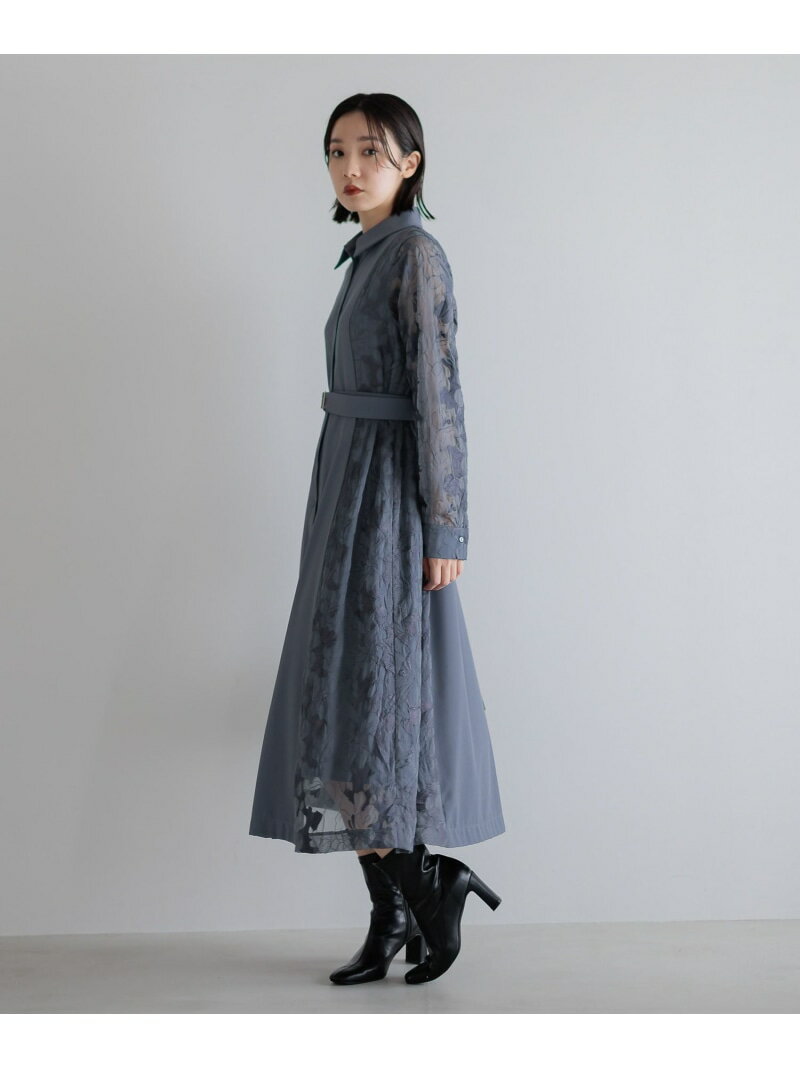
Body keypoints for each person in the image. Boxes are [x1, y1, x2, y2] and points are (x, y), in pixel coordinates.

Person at [248, 92, 506, 985]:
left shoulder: (416, 256)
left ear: (411, 163)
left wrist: (446, 522)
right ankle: (394, 912)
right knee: (339, 691)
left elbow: (441, 395)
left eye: (370, 151)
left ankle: (430, 884)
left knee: (376, 696)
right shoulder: (364, 255)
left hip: (390, 493)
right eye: (336, 151)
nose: (350, 168)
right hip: (345, 485)